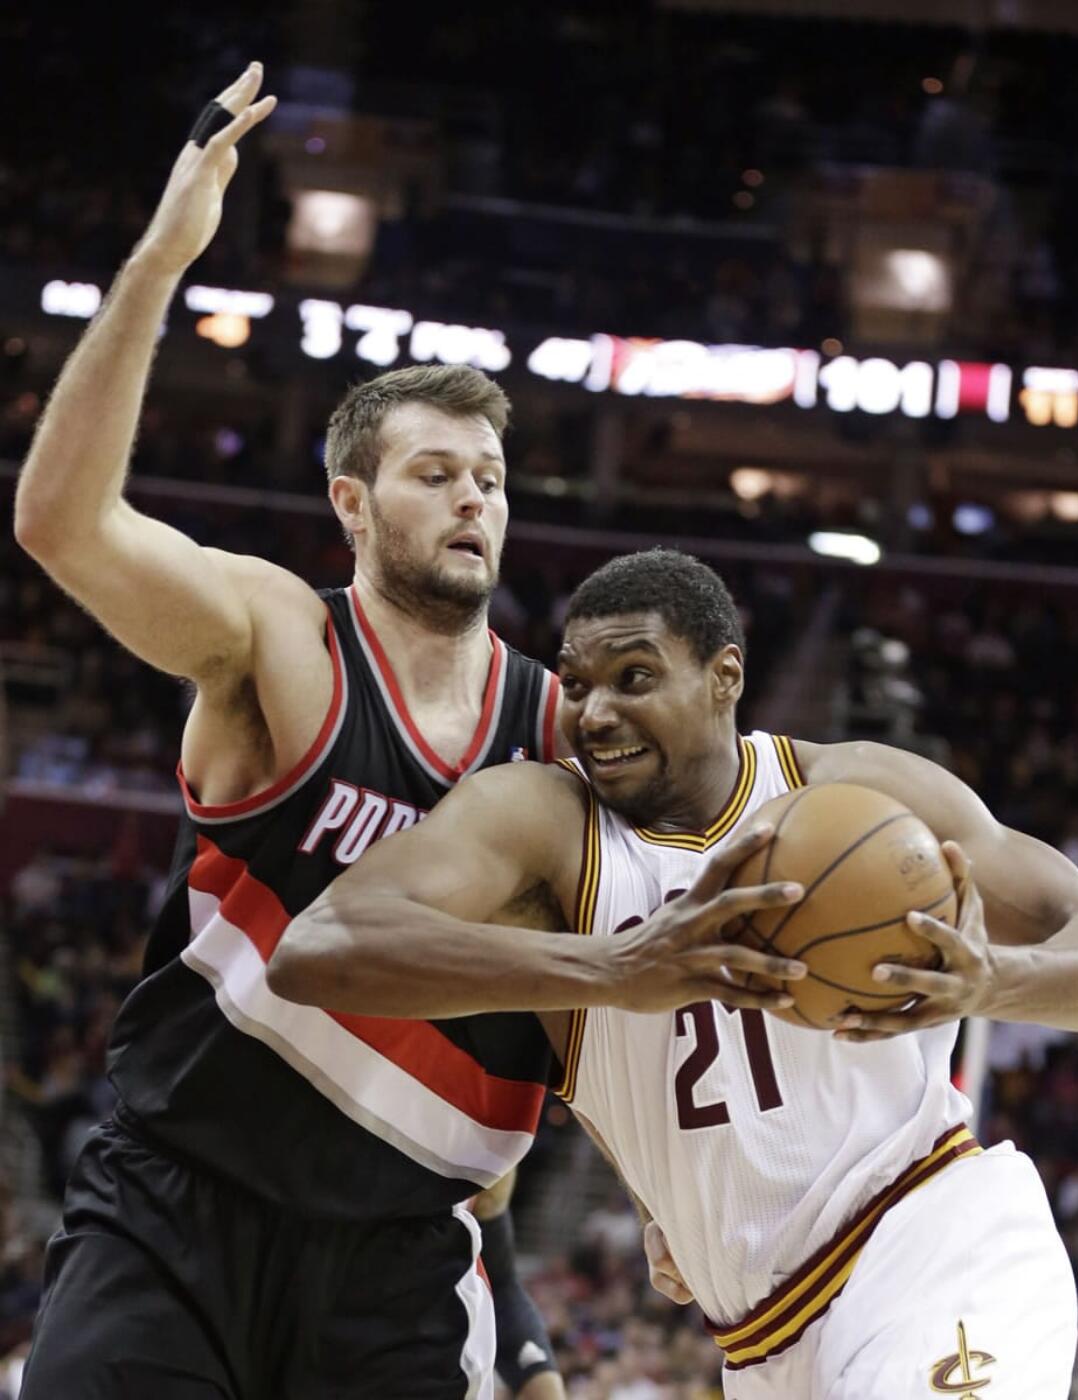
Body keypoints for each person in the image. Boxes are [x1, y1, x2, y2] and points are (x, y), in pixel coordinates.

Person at [12, 67, 805, 1400]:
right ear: (352, 502)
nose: (469, 501)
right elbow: (60, 527)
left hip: (405, 1250)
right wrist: (160, 262)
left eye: (488, 480)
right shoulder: (283, 640)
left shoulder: (567, 734)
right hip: (177, 1206)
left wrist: (589, 1275)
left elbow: (644, 978)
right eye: (433, 474)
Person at [269, 549, 1078, 1399]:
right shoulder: (540, 824)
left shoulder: (860, 793)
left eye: (635, 679)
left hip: (936, 1244)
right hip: (759, 1343)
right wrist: (613, 966)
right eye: (578, 685)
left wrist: (992, 983)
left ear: (725, 679)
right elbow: (320, 949)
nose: (594, 713)